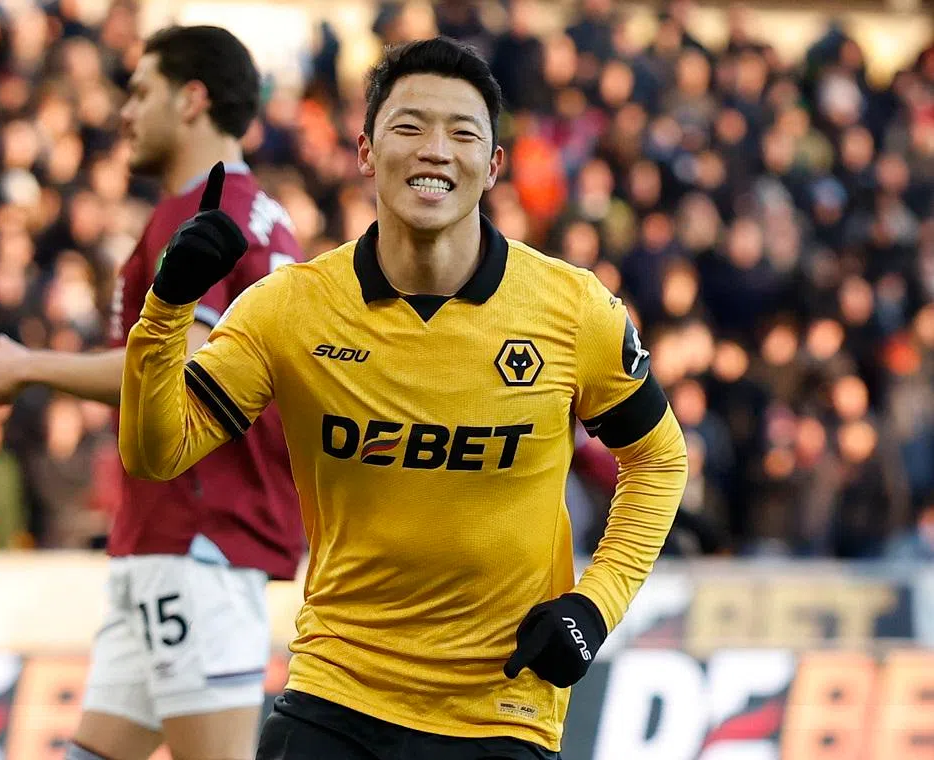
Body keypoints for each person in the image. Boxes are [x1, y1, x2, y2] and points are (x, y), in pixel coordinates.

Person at [120, 37, 689, 760]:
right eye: (410, 127)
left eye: (461, 133)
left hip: (502, 710)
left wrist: (593, 607)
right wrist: (167, 306)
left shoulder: (573, 309)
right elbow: (155, 453)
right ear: (364, 151)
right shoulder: (290, 308)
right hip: (337, 693)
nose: (434, 150)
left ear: (493, 167)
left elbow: (660, 461)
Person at [0, 25, 305, 760]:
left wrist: (29, 365)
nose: (124, 112)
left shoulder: (202, 215)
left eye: (141, 92)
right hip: (175, 538)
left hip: (197, 539)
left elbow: (181, 370)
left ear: (191, 99)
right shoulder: (260, 211)